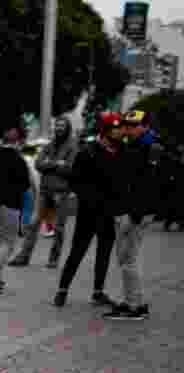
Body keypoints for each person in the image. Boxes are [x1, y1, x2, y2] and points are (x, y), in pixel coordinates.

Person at [53, 113, 127, 308]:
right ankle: (62, 290)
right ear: (105, 131)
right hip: (89, 212)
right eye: (115, 129)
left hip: (110, 213)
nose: (119, 132)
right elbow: (75, 181)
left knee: (104, 252)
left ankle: (98, 292)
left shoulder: (122, 151)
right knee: (78, 251)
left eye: (120, 128)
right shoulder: (88, 152)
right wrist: (90, 199)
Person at [104, 110, 160, 321]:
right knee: (126, 259)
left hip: (136, 212)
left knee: (129, 259)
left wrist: (135, 214)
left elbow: (148, 186)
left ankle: (134, 306)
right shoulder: (135, 146)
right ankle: (133, 301)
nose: (128, 129)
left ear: (145, 126)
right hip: (130, 210)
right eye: (126, 125)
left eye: (133, 125)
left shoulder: (149, 148)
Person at [10, 117, 78, 268]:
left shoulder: (72, 147)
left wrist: (50, 164)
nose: (59, 128)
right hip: (45, 190)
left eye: (62, 126)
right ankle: (24, 256)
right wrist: (57, 164)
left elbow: (70, 168)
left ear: (68, 128)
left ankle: (54, 259)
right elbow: (38, 164)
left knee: (59, 228)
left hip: (61, 191)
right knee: (33, 224)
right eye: (57, 125)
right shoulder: (49, 146)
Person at [0, 127, 31, 294]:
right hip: (8, 205)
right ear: (17, 142)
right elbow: (25, 184)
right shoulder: (17, 159)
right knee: (6, 243)